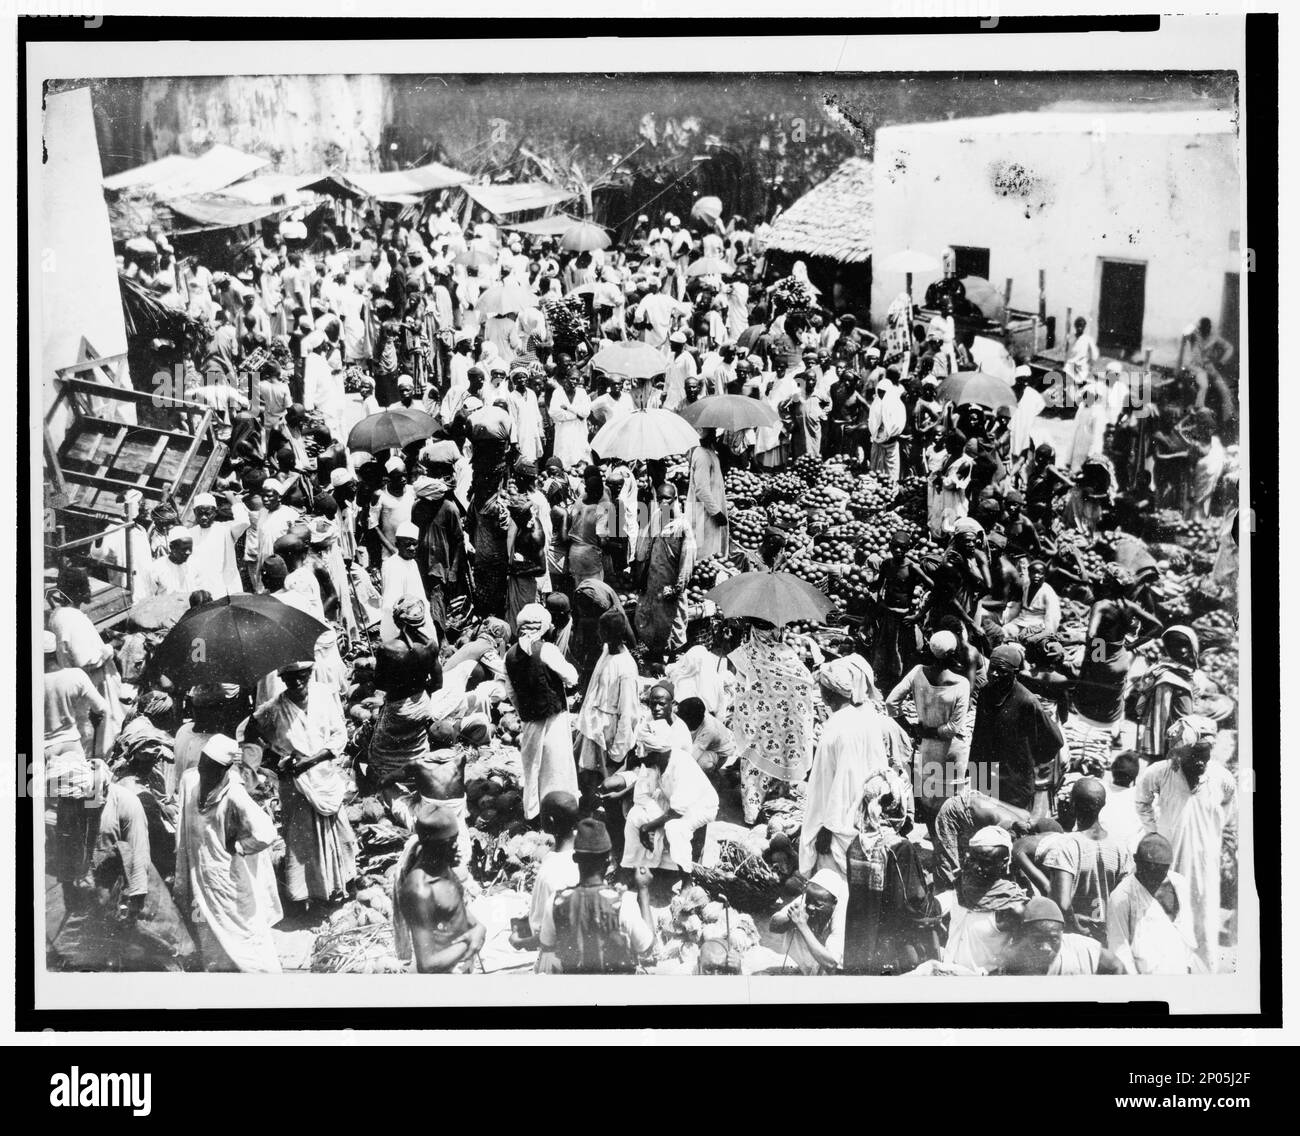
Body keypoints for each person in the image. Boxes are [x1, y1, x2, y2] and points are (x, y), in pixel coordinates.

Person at [248, 661, 356, 909]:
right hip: (296, 784)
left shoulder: (324, 695)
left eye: (301, 676)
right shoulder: (274, 708)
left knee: (341, 836)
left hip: (324, 779)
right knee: (302, 842)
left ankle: (344, 884)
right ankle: (311, 896)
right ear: (282, 680)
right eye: (290, 678)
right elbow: (250, 731)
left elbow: (340, 735)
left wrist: (310, 761)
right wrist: (277, 760)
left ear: (309, 674)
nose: (297, 682)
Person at [173, 735, 283, 972]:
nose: (203, 770)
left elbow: (266, 832)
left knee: (240, 929)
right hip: (198, 869)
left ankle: (262, 977)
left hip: (224, 876)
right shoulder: (190, 779)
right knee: (207, 930)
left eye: (210, 767)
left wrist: (241, 847)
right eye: (202, 763)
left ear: (224, 769)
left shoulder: (234, 793)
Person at [1135, 716, 1236, 971]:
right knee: (1165, 915)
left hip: (1204, 864)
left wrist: (1213, 832)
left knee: (1203, 917)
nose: (1201, 761)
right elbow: (1142, 801)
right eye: (1195, 755)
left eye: (1205, 754)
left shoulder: (1222, 778)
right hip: (1169, 859)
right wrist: (1153, 833)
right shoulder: (1161, 772)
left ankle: (1204, 975)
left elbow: (1229, 807)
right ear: (1179, 755)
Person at [799, 656, 889, 879]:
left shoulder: (836, 727)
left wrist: (827, 828)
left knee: (833, 883)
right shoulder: (868, 717)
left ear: (828, 694)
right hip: (863, 815)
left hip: (838, 823)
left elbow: (834, 783)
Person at [843, 770, 938, 975]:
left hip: (860, 943)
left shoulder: (856, 844)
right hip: (893, 946)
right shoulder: (899, 847)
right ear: (898, 804)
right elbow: (914, 901)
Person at [728, 619, 816, 824]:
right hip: (783, 726)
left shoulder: (742, 655)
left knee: (753, 766)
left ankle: (751, 814)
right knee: (782, 759)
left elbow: (740, 691)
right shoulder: (788, 656)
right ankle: (777, 806)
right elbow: (806, 682)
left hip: (755, 725)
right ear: (777, 631)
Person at [543, 818, 656, 974]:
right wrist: (643, 890)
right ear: (609, 860)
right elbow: (647, 949)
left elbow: (547, 947)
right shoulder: (624, 904)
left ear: (575, 859)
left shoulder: (555, 902)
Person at [504, 603, 580, 820]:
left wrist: (524, 711)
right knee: (557, 766)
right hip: (554, 716)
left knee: (533, 767)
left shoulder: (509, 655)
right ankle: (561, 811)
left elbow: (510, 692)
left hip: (530, 720)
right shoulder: (547, 649)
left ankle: (533, 813)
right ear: (543, 627)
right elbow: (571, 676)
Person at [969, 643, 1064, 814]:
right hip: (985, 776)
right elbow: (979, 734)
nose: (994, 674)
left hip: (1014, 782)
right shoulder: (985, 692)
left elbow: (1054, 740)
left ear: (1015, 673)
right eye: (992, 669)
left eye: (1002, 671)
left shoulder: (1027, 702)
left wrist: (1027, 760)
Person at [393, 802, 486, 973]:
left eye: (456, 838)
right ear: (430, 846)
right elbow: (427, 964)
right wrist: (469, 942)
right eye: (449, 842)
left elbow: (453, 910)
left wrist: (478, 927)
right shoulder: (419, 891)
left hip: (462, 962)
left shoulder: (443, 866)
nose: (456, 846)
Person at [1039, 777, 1133, 945]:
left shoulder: (1066, 846)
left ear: (1073, 806)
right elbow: (1125, 898)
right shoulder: (1121, 847)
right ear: (1103, 805)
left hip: (1074, 937)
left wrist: (1076, 927)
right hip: (1107, 934)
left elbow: (1063, 903)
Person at [621, 719, 719, 879]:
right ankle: (637, 867)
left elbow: (677, 812)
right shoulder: (655, 762)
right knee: (634, 816)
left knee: (675, 828)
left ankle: (686, 881)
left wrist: (648, 827)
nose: (640, 757)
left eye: (643, 752)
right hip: (671, 800)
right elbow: (642, 795)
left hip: (699, 806)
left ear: (657, 753)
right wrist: (646, 820)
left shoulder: (681, 763)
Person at [885, 630, 971, 806]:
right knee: (952, 802)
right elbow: (953, 728)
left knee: (929, 799)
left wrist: (912, 730)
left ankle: (932, 832)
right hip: (952, 749)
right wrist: (927, 732)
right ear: (953, 653)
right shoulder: (961, 683)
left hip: (927, 747)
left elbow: (891, 702)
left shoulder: (917, 672)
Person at [1106, 833, 1205, 975]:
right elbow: (1119, 949)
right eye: (1149, 870)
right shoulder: (1122, 896)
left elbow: (1187, 932)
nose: (1154, 877)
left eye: (1161, 871)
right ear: (1136, 861)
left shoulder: (1180, 884)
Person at [509, 791, 581, 972]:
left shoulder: (550, 872)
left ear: (549, 821)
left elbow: (546, 933)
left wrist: (518, 941)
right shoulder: (587, 854)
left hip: (557, 956)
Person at [575, 610, 642, 782]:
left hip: (608, 733)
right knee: (587, 776)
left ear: (610, 633)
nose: (598, 632)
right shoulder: (606, 650)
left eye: (601, 629)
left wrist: (618, 751)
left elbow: (629, 712)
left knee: (605, 781)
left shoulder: (626, 667)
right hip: (593, 726)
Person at [635, 482, 696, 664]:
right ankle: (655, 655)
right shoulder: (656, 517)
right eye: (659, 498)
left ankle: (672, 660)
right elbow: (646, 548)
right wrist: (641, 577)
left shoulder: (683, 526)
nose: (662, 502)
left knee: (672, 625)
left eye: (666, 499)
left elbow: (687, 562)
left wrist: (677, 588)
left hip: (669, 586)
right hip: (653, 582)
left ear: (675, 499)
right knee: (649, 620)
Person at [1132, 625, 1212, 763]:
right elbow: (1160, 717)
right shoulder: (1166, 678)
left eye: (1185, 646)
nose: (1182, 650)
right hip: (1172, 740)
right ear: (1169, 648)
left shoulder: (1190, 673)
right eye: (1175, 646)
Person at [997, 897, 1125, 975]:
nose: (1046, 948)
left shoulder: (1081, 949)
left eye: (1053, 939)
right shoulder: (1013, 960)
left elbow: (1116, 966)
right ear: (1025, 935)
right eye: (1038, 939)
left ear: (1062, 933)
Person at [768, 869, 847, 975]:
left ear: (834, 903)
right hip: (804, 966)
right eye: (808, 901)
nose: (810, 907)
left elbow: (831, 965)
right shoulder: (810, 897)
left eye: (818, 905)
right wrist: (790, 920)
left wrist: (802, 925)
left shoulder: (841, 914)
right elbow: (773, 926)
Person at [188, 490, 250, 598]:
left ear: (215, 512)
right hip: (200, 591)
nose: (203, 517)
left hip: (223, 588)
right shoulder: (190, 534)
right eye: (200, 513)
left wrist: (233, 500)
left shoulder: (225, 530)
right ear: (194, 512)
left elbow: (244, 522)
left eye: (207, 513)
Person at [685, 428, 729, 559]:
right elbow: (702, 490)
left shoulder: (709, 453)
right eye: (712, 433)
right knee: (703, 554)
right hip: (704, 513)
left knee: (711, 550)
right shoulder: (702, 456)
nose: (714, 435)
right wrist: (716, 512)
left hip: (709, 510)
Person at [675, 695, 737, 775]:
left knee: (701, 764)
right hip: (701, 746)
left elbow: (693, 756)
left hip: (718, 755)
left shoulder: (709, 729)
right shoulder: (691, 713)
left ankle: (709, 776)